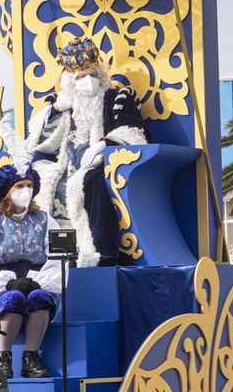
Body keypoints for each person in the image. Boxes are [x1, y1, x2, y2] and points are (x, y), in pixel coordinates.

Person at [15, 37, 147, 268]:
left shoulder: (117, 99)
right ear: (70, 82)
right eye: (81, 77)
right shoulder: (66, 106)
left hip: (100, 167)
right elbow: (42, 143)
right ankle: (45, 255)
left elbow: (135, 132)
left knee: (91, 181)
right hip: (67, 167)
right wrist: (55, 110)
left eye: (93, 75)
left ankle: (98, 253)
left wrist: (105, 143)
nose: (89, 82)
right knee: (40, 180)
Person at [0, 164, 63, 379]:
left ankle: (31, 356)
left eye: (29, 185)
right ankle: (4, 356)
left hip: (38, 279)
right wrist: (6, 282)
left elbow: (57, 257)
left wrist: (39, 280)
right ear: (7, 191)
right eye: (19, 185)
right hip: (3, 284)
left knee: (40, 298)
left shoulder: (45, 220)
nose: (26, 190)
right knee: (13, 298)